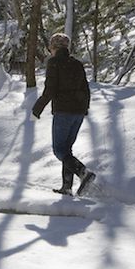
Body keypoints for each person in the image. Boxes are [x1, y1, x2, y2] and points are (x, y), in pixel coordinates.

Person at [32, 32, 95, 196]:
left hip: (63, 112)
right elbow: (86, 89)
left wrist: (37, 109)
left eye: (51, 48)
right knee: (67, 150)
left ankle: (83, 173)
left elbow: (50, 90)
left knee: (59, 150)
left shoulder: (54, 63)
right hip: (78, 112)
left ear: (54, 47)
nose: (50, 51)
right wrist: (84, 108)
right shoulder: (77, 64)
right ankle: (66, 187)